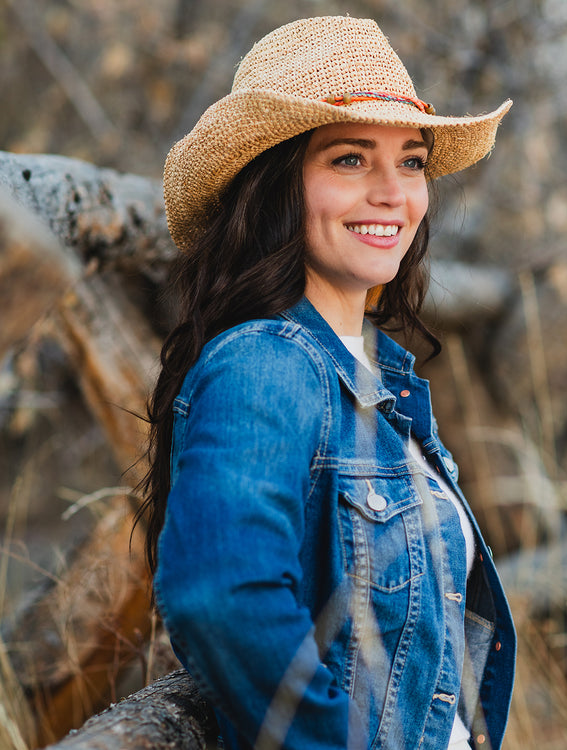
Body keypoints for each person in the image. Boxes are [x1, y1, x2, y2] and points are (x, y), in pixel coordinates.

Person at [138, 15, 515, 750]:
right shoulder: (265, 363)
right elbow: (219, 597)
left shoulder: (377, 375)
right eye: (349, 159)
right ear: (278, 184)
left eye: (410, 162)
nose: (391, 192)